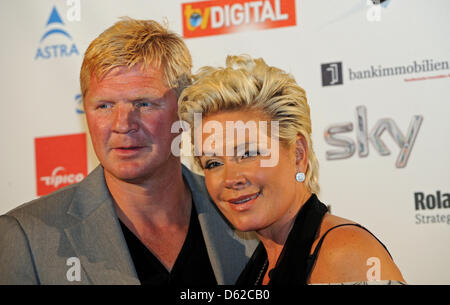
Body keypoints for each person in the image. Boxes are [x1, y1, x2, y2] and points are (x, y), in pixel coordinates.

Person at [0, 19, 257, 285]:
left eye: (144, 103)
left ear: (185, 111)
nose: (122, 125)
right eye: (104, 106)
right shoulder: (26, 238)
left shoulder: (243, 206)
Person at [178, 55, 406, 285]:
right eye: (213, 163)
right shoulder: (261, 264)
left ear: (298, 154)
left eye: (248, 154)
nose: (231, 178)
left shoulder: (344, 253)